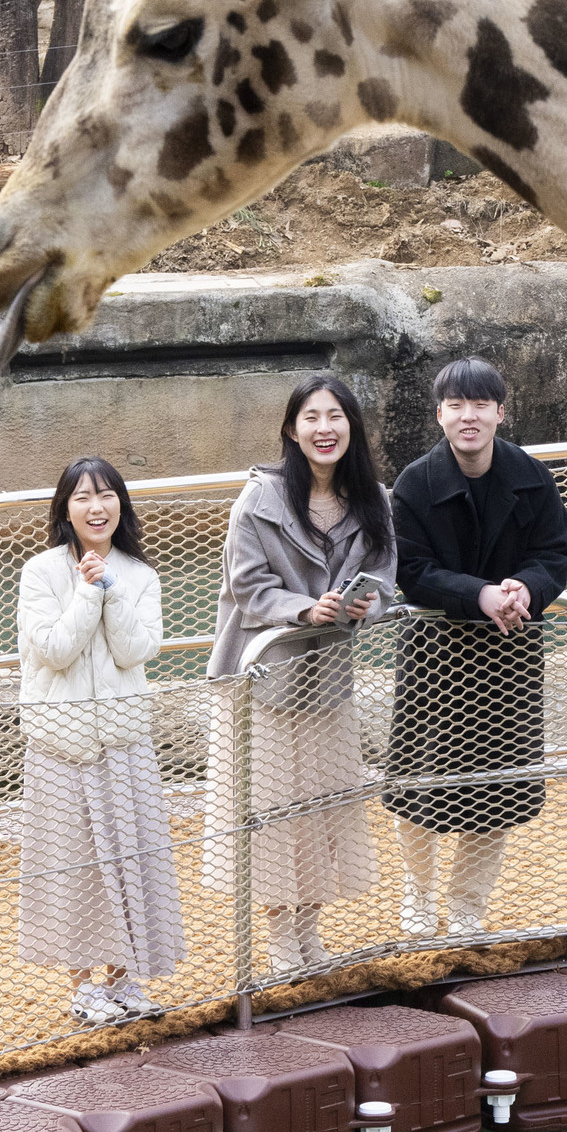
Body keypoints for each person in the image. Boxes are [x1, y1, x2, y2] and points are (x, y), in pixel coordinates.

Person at [205, 374, 397, 977]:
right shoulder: (259, 499)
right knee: (272, 813)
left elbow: (388, 573)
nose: (325, 428)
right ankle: (281, 940)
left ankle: (311, 932)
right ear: (292, 429)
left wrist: (372, 603)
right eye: (312, 417)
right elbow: (248, 586)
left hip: (328, 681)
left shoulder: (374, 500)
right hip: (266, 678)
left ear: (352, 428)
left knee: (324, 807)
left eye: (336, 416)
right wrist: (302, 608)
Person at [384, 358, 567, 936]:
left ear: (500, 411)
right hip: (435, 655)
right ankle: (418, 895)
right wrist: (481, 593)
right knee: (417, 785)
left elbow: (558, 554)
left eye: (480, 405)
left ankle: (468, 904)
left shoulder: (531, 475)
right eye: (456, 405)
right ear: (439, 413)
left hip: (511, 653)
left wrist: (526, 587)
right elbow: (410, 571)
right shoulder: (415, 482)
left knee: (497, 788)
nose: (468, 416)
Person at [17, 458, 183, 1026]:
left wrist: (110, 590)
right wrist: (88, 592)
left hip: (123, 740)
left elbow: (136, 651)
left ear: (121, 505)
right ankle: (83, 986)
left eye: (108, 495)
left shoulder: (140, 574)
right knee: (74, 863)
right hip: (60, 743)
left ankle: (124, 978)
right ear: (65, 508)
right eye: (84, 497)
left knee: (132, 857)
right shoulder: (41, 572)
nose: (97, 507)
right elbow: (56, 650)